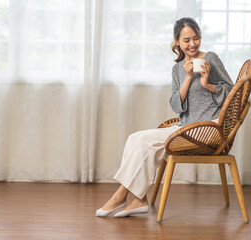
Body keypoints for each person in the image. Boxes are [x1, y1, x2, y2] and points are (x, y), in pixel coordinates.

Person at [96, 17, 233, 218]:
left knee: (144, 140)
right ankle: (138, 199)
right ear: (177, 41)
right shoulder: (178, 69)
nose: (192, 44)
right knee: (135, 138)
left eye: (196, 38)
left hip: (208, 129)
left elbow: (233, 93)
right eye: (186, 40)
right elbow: (176, 106)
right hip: (185, 126)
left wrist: (207, 84)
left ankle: (120, 196)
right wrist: (187, 78)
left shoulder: (210, 58)